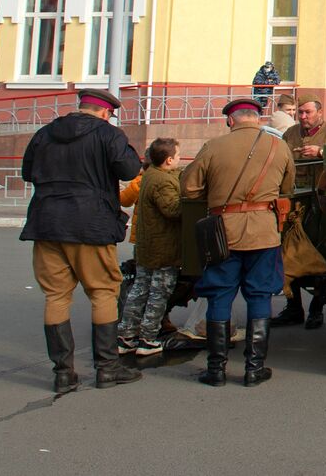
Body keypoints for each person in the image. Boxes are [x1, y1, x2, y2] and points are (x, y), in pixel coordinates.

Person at [21, 88, 143, 394]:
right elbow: (130, 169)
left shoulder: (44, 133)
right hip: (91, 224)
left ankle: (63, 373)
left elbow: (28, 173)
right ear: (105, 112)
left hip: (47, 222)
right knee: (103, 292)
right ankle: (107, 369)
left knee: (56, 296)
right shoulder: (108, 134)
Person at [182, 97, 296, 387]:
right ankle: (254, 369)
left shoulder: (214, 146)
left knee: (219, 296)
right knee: (260, 296)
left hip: (223, 233)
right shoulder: (279, 146)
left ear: (230, 120)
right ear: (257, 118)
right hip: (264, 233)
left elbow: (190, 188)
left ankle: (216, 370)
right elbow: (287, 189)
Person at [274, 95, 326, 328]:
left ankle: (316, 308)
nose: (303, 117)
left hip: (323, 201)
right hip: (296, 201)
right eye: (300, 113)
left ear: (319, 112)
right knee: (291, 252)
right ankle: (293, 307)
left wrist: (321, 152)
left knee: (320, 253)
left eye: (308, 112)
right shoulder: (290, 134)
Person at [116, 138, 183, 357]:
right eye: (178, 156)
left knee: (139, 290)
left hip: (146, 245)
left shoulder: (149, 175)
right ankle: (148, 339)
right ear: (169, 160)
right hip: (162, 247)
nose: (180, 160)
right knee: (158, 294)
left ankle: (126, 336)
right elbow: (173, 210)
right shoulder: (163, 181)